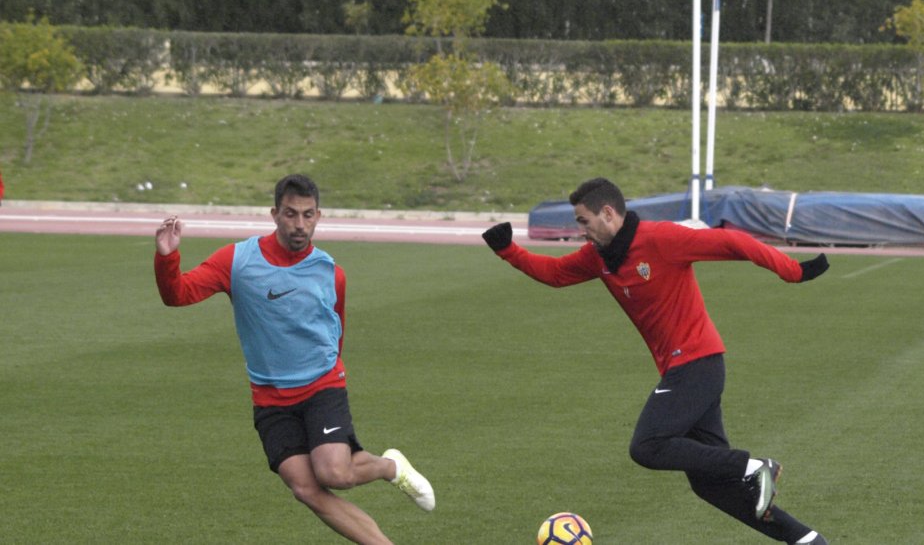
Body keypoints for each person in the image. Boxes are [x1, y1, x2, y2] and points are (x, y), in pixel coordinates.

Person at [482, 178, 831, 545]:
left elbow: (732, 242)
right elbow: (554, 274)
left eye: (583, 221)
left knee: (647, 446)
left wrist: (792, 271)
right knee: (711, 486)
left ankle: (756, 466)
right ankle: (807, 540)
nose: (579, 229)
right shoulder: (599, 257)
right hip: (687, 369)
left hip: (697, 364)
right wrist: (508, 250)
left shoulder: (662, 239)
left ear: (608, 213)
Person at [154, 174, 434, 545]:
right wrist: (167, 255)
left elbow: (336, 332)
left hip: (321, 386)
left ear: (318, 216)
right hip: (270, 398)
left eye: (307, 215)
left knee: (334, 473)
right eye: (290, 214)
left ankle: (389, 466)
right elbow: (177, 295)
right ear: (274, 214)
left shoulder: (330, 273)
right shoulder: (237, 261)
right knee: (305, 488)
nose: (299, 225)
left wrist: (327, 375)